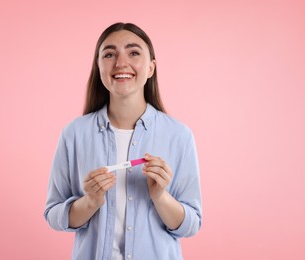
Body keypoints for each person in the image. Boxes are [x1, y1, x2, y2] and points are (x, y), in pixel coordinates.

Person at [44, 22, 202, 260]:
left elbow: (191, 224)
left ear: (151, 68)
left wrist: (160, 197)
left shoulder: (179, 136)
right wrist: (90, 202)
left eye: (134, 52)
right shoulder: (74, 134)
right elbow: (54, 215)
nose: (120, 63)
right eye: (109, 54)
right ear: (99, 67)